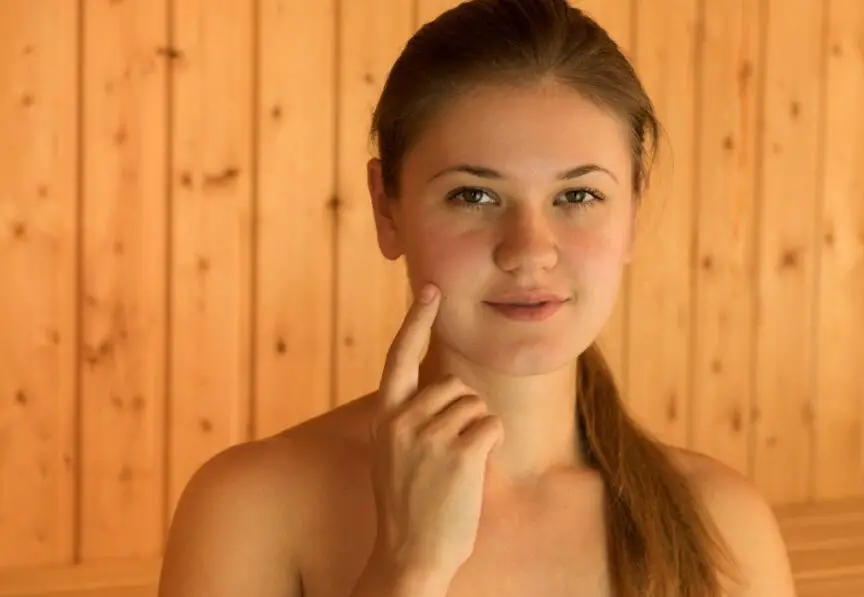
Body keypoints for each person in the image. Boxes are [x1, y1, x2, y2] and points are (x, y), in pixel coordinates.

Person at [157, 0, 796, 595]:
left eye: (577, 196)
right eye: (474, 195)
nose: (529, 249)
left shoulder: (725, 524)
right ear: (388, 208)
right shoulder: (253, 508)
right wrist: (407, 566)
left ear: (633, 211)